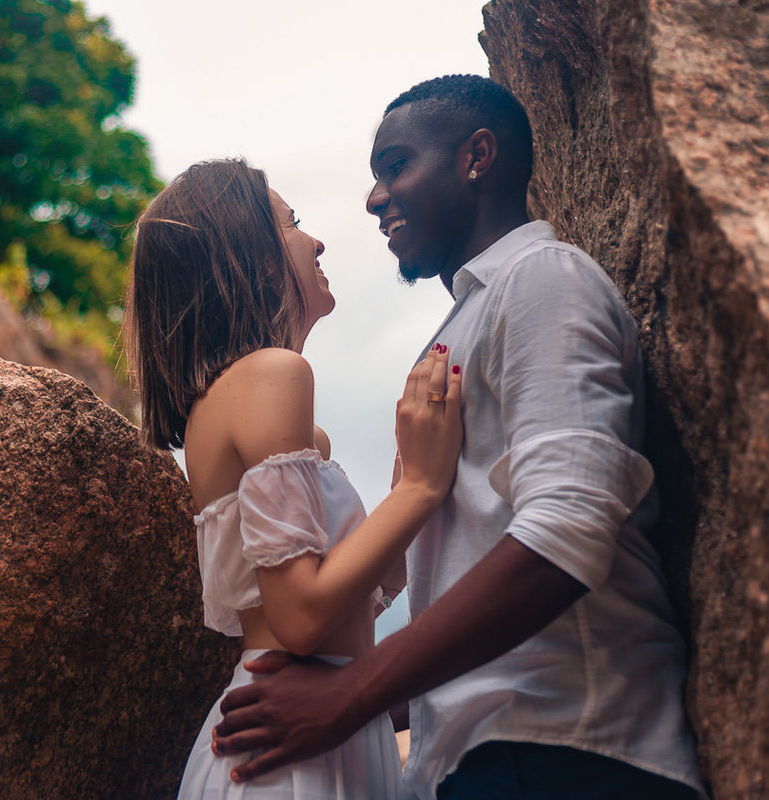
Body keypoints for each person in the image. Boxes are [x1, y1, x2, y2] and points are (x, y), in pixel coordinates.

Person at [211, 76, 705, 799]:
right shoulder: (464, 325)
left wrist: (351, 698)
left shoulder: (544, 279)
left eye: (395, 166)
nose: (374, 198)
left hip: (569, 756)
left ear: (477, 157)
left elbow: (568, 529)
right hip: (476, 767)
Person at [123, 158, 463, 798]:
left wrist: (397, 499)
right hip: (289, 752)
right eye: (293, 223)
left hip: (309, 728)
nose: (317, 241)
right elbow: (302, 618)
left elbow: (337, 609)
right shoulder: (272, 374)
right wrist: (421, 485)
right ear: (246, 254)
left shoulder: (282, 422)